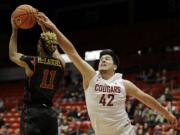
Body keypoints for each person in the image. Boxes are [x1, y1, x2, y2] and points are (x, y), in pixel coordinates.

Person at [36, 12, 178, 135]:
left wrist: (167, 114)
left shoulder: (124, 83)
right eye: (101, 59)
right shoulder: (91, 76)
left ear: (115, 66)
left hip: (125, 132)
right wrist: (52, 28)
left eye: (107, 59)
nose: (103, 60)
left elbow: (146, 99)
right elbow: (71, 51)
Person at [9, 12, 65, 135]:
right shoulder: (61, 63)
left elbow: (12, 54)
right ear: (52, 46)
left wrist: (14, 29)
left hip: (32, 113)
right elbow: (53, 48)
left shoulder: (33, 62)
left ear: (40, 45)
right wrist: (43, 27)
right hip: (50, 115)